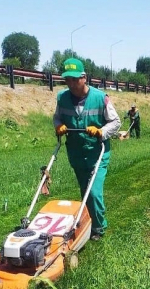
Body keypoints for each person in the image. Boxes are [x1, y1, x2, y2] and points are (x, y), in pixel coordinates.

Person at [53, 58, 121, 241]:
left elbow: (116, 122)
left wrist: (101, 131)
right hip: (75, 152)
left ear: (84, 77)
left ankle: (99, 227)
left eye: (75, 79)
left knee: (94, 191)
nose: (72, 84)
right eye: (68, 80)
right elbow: (57, 118)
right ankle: (88, 222)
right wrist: (58, 126)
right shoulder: (62, 97)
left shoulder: (100, 97)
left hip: (96, 152)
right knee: (84, 189)